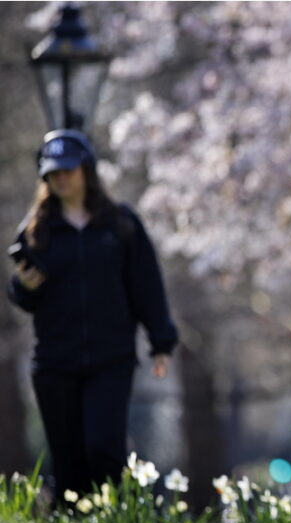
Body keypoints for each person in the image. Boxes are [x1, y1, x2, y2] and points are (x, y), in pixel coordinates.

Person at [6, 129, 178, 504]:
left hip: (110, 359)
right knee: (67, 460)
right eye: (53, 173)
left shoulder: (121, 225)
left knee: (104, 448)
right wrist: (26, 286)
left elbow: (146, 284)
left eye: (68, 169)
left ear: (87, 170)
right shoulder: (38, 231)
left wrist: (161, 342)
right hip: (55, 362)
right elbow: (19, 295)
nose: (61, 178)